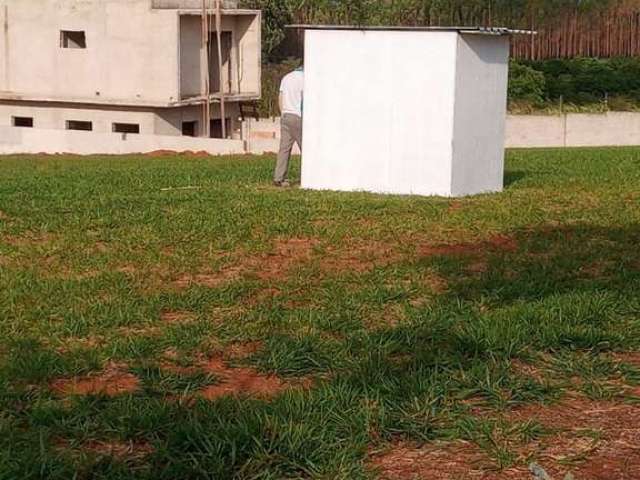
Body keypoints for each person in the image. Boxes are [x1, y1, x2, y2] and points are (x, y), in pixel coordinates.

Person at [273, 66, 304, 187]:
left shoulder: (286, 78)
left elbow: (280, 97)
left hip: (285, 116)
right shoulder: (305, 78)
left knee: (284, 149)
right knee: (306, 149)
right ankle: (309, 178)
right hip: (298, 117)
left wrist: (283, 114)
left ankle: (278, 178)